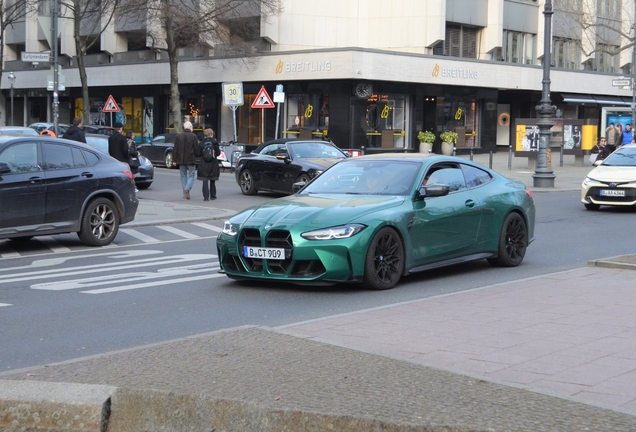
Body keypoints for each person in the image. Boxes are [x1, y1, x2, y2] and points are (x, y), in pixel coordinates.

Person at [172, 121, 198, 200]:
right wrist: (197, 156)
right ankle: (187, 188)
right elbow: (196, 149)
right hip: (191, 159)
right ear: (190, 127)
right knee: (191, 175)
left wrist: (174, 160)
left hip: (181, 159)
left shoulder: (179, 136)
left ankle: (184, 193)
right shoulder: (194, 136)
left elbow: (175, 149)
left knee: (183, 176)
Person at [194, 128, 220, 201]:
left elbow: (198, 153)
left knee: (205, 180)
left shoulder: (202, 142)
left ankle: (206, 197)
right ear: (211, 134)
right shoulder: (214, 142)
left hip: (204, 164)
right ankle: (213, 195)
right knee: (212, 180)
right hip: (213, 163)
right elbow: (218, 153)